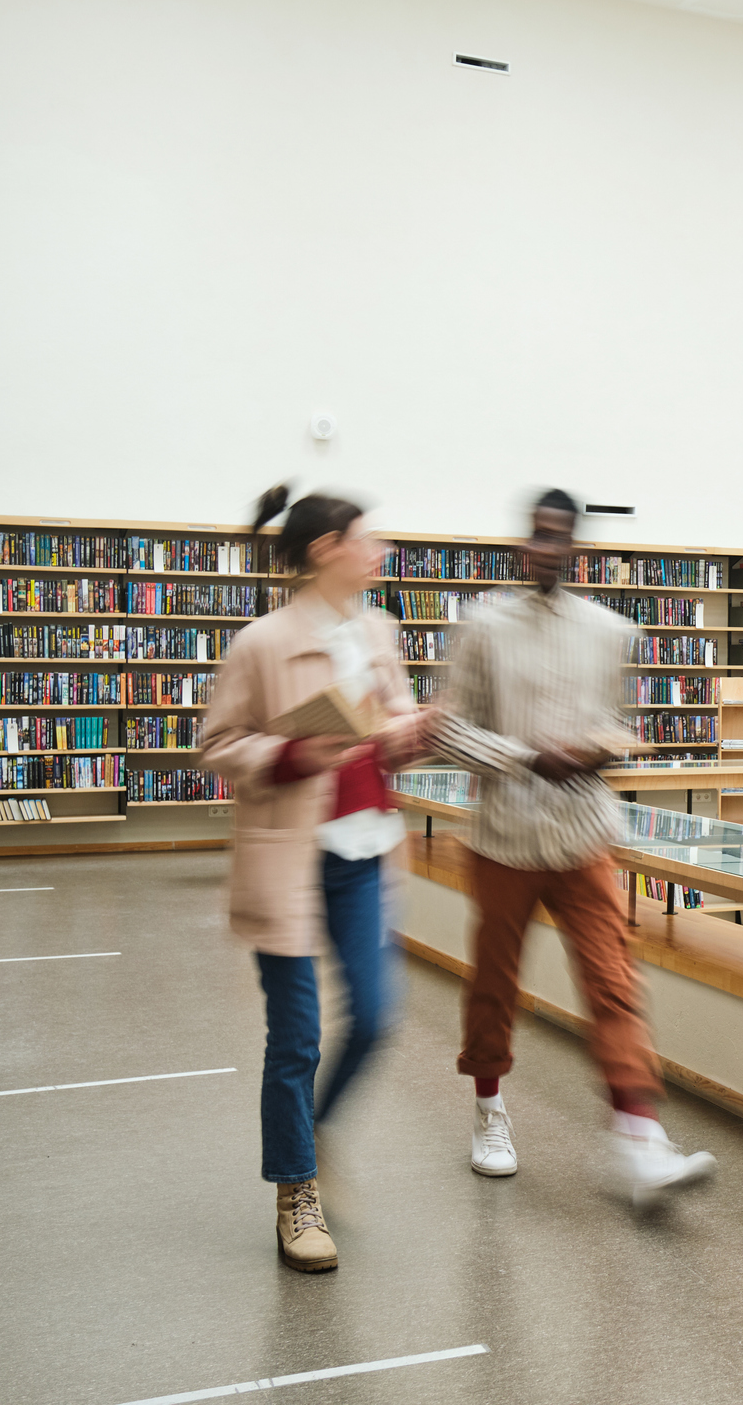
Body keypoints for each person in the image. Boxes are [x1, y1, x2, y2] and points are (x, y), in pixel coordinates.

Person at [431, 489, 715, 1205]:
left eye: (559, 537)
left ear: (576, 547)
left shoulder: (606, 629)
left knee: (612, 981)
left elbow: (619, 725)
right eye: (536, 535)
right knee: (494, 981)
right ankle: (488, 1109)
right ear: (523, 543)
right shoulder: (483, 627)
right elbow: (447, 729)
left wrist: (597, 749)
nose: (545, 548)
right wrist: (526, 757)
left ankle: (640, 1136)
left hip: (585, 833)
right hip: (504, 837)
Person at [200, 487, 424, 1273]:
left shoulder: (379, 631)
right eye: (369, 539)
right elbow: (218, 742)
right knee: (295, 1038)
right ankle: (295, 1191)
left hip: (363, 853)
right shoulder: (260, 643)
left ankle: (316, 1131)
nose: (381, 553)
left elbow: (390, 723)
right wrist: (292, 754)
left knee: (375, 1015)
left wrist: (412, 736)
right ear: (328, 548)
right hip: (288, 860)